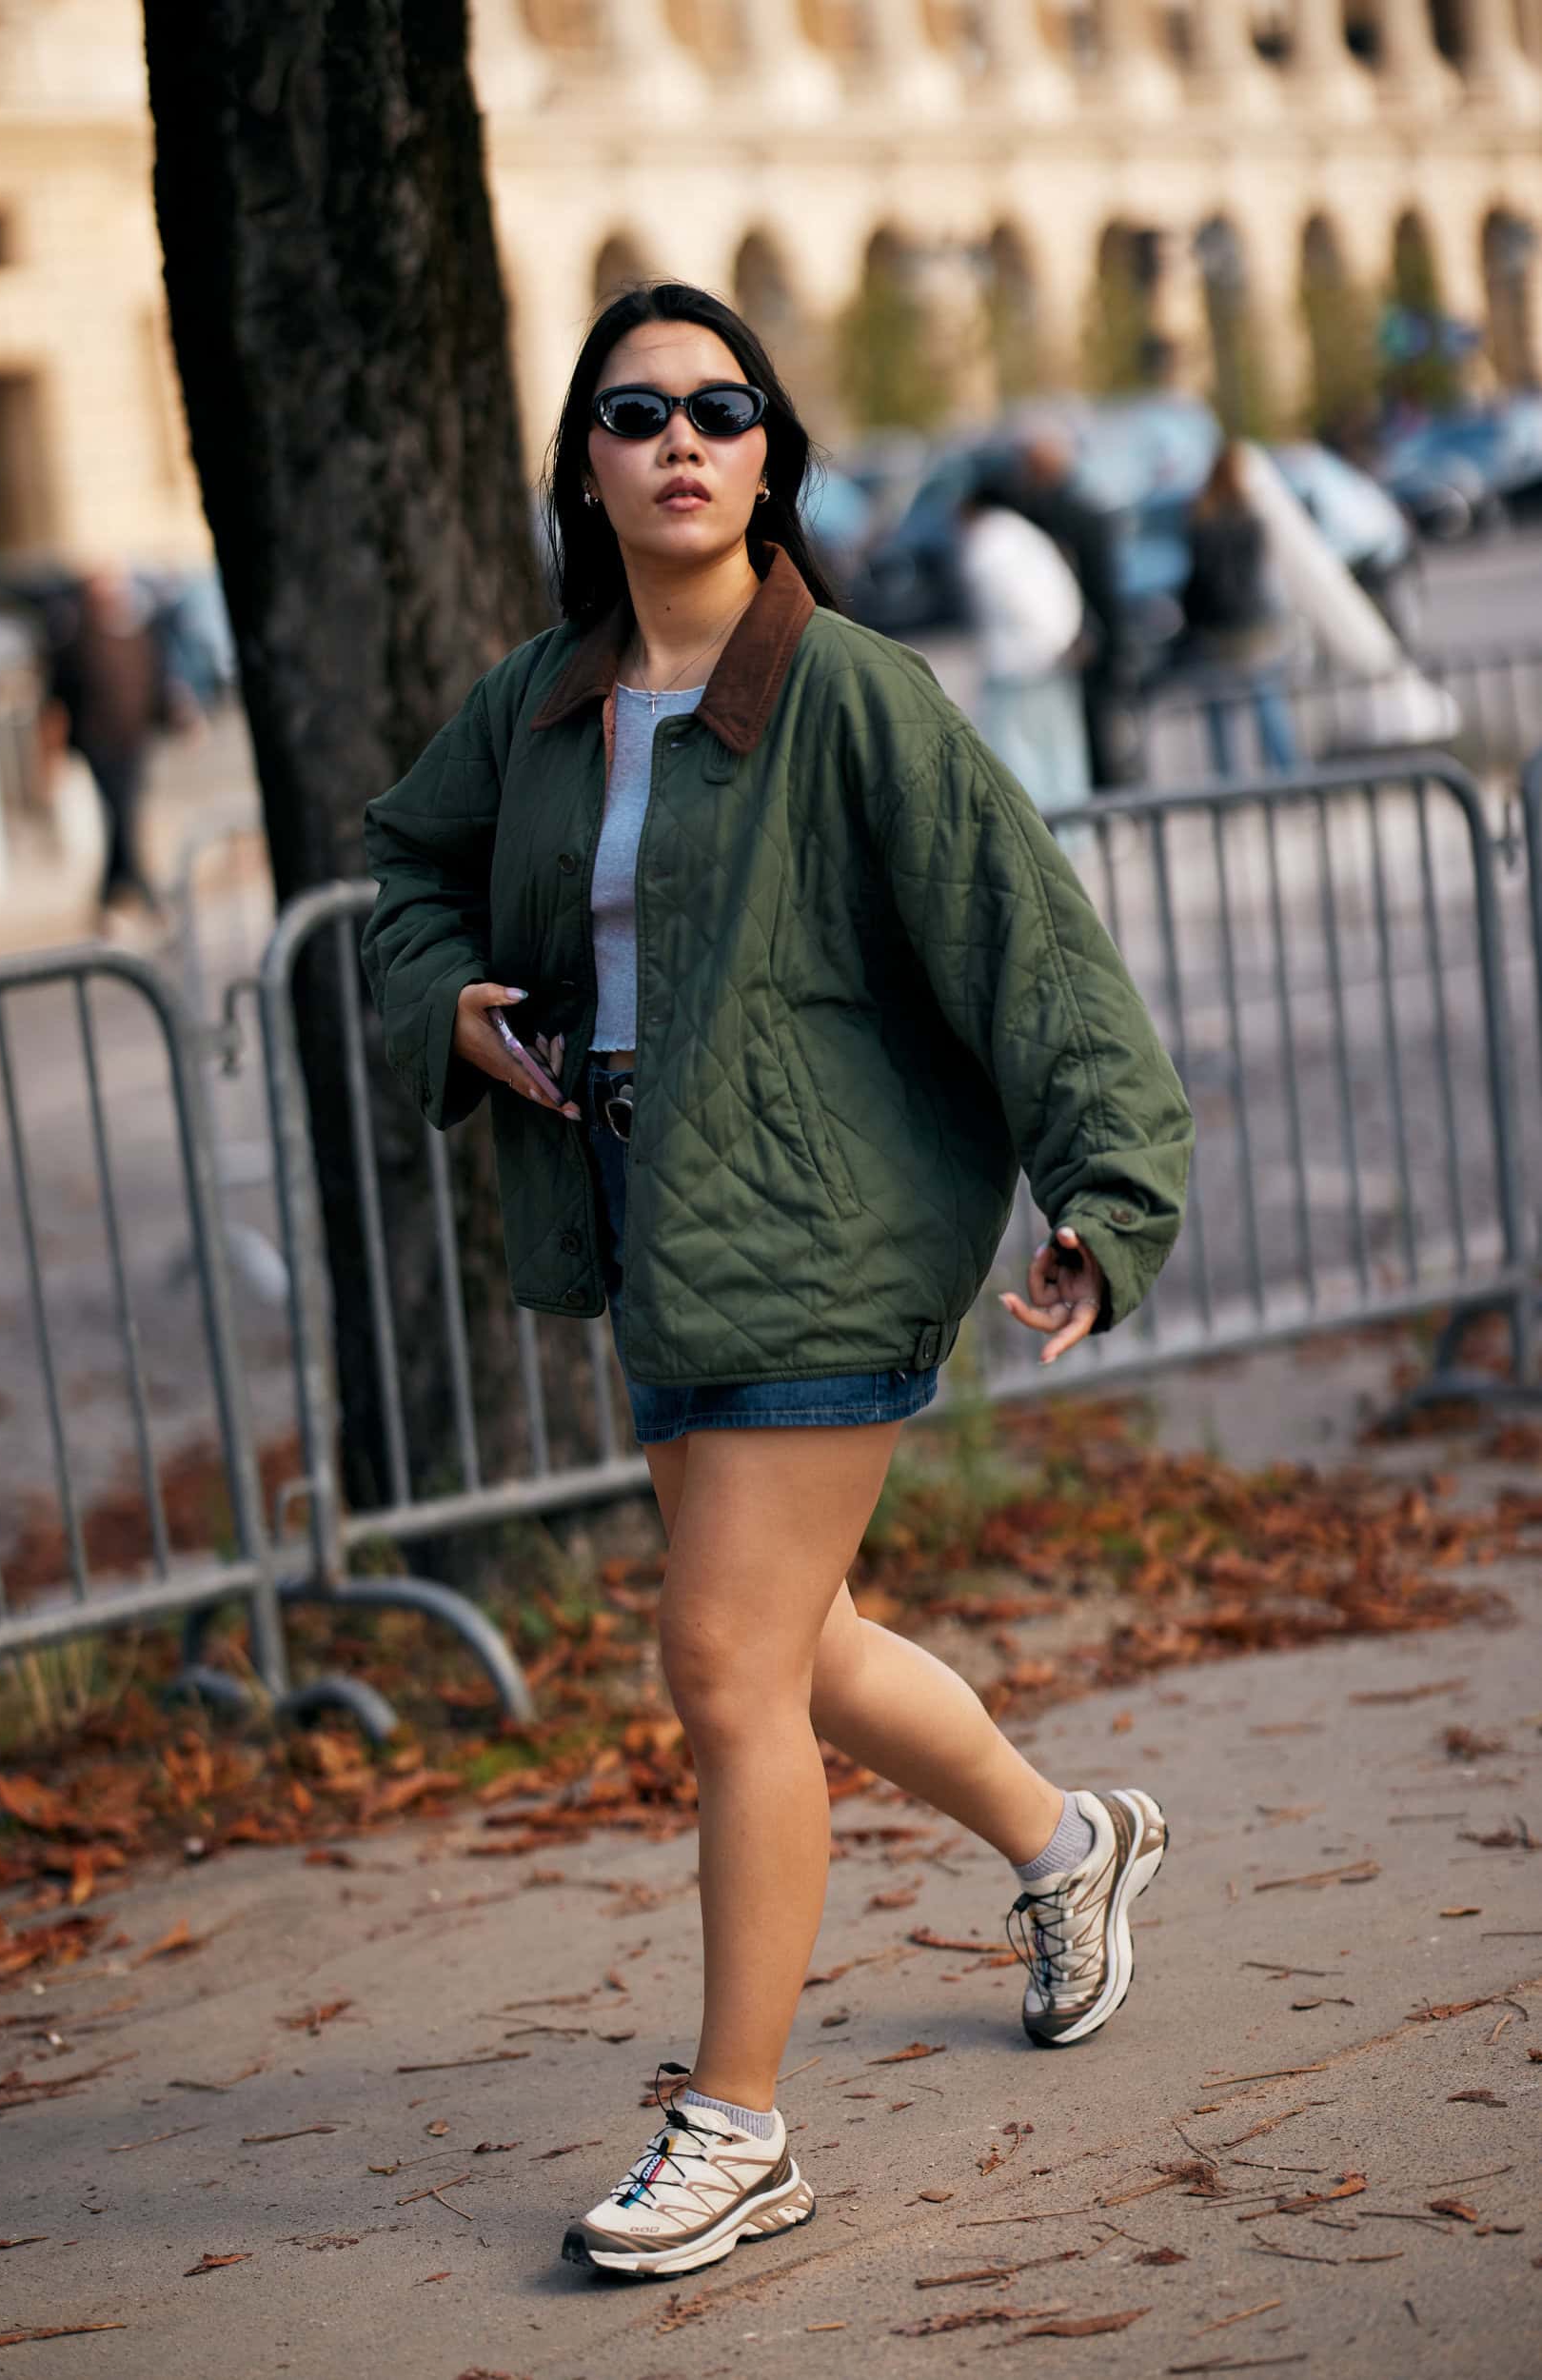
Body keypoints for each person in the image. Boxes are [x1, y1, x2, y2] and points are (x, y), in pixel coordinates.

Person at [361, 283, 1194, 2283]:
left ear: (767, 460)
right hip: (649, 1227)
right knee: (798, 1642)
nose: (680, 439)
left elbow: (1026, 940)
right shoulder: (541, 698)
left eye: (720, 409)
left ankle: (732, 2125)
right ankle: (1069, 1841)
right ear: (582, 465)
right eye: (635, 410)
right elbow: (406, 873)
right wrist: (448, 1000)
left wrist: (1105, 1192)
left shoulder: (847, 691)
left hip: (821, 1229)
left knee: (723, 1663)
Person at [44, 565, 194, 938]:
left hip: (134, 742)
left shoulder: (138, 634)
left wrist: (176, 717)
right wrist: (52, 753)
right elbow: (58, 702)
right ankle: (146, 899)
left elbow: (156, 685)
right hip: (100, 746)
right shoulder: (76, 643)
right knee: (122, 818)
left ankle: (116, 899)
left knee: (124, 820)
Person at [998, 433, 1130, 786]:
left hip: (1066, 644)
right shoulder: (1080, 512)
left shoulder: (1031, 518)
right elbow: (1107, 591)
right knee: (1093, 738)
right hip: (1081, 641)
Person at [957, 471, 1089, 818]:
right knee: (1059, 748)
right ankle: (1072, 827)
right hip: (1049, 659)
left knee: (1019, 756)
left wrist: (1048, 640)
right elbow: (1061, 587)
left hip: (1017, 666)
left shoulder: (988, 542)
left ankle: (1040, 828)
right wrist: (1063, 640)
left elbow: (1019, 600)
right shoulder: (1024, 535)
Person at [1180, 442, 1298, 779]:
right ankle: (1290, 774)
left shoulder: (1202, 520)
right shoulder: (1252, 518)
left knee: (1221, 711)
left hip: (1218, 627)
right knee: (1266, 701)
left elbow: (1200, 579)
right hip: (1254, 621)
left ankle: (1229, 781)